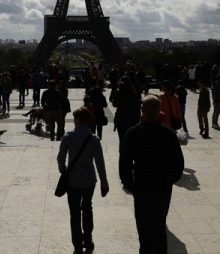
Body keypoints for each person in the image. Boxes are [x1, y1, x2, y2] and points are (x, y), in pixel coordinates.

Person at [119, 94, 184, 254]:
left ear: (142, 110)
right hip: (162, 187)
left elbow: (124, 165)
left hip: (142, 186)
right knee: (159, 225)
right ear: (159, 111)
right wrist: (168, 180)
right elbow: (178, 165)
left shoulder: (133, 133)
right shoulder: (168, 134)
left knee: (144, 227)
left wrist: (130, 185)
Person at [57, 107, 109, 253]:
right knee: (87, 209)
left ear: (77, 120)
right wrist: (104, 183)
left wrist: (63, 171)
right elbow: (100, 163)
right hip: (89, 181)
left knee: (74, 213)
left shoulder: (68, 137)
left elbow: (60, 159)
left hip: (72, 181)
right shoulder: (94, 139)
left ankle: (77, 245)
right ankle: (88, 239)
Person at [110, 76, 141, 145]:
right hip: (132, 119)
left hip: (120, 118)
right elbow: (137, 106)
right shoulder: (133, 93)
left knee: (122, 139)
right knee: (130, 139)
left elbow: (114, 104)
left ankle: (122, 153)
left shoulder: (118, 92)